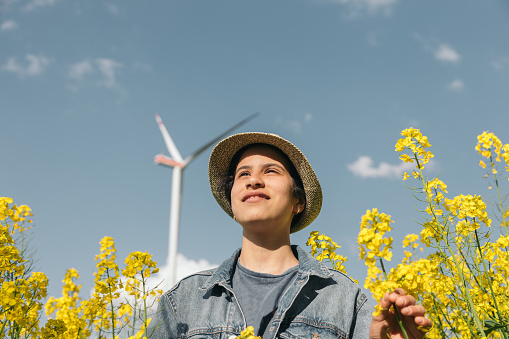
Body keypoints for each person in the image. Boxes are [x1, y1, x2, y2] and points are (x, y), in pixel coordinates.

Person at [149, 132, 432, 339]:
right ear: (232, 204)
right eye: (242, 174)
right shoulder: (182, 301)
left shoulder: (348, 299)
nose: (253, 180)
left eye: (271, 171)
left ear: (299, 202)